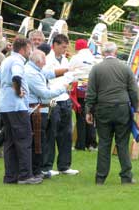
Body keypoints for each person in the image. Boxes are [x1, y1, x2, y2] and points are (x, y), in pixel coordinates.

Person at [86, 42, 139, 185]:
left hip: (103, 109)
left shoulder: (96, 69)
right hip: (122, 109)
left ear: (103, 53)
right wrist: (136, 108)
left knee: (104, 143)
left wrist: (88, 111)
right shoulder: (125, 67)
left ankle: (100, 178)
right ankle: (126, 177)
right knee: (122, 143)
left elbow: (90, 93)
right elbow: (134, 90)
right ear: (115, 52)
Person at [0, 38, 42, 185]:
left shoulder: (6, 60)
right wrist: (17, 91)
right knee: (24, 140)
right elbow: (16, 76)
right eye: (29, 49)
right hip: (17, 106)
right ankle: (25, 175)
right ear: (23, 49)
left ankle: (10, 176)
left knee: (10, 141)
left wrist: (5, 92)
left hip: (4, 106)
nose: (30, 52)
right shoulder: (18, 61)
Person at [25, 49, 68, 178]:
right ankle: (36, 171)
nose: (46, 62)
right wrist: (63, 88)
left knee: (40, 140)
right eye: (44, 60)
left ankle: (38, 169)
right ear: (38, 61)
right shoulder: (32, 73)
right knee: (37, 142)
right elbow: (45, 94)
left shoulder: (35, 69)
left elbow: (48, 73)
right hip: (36, 111)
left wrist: (67, 70)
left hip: (40, 109)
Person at [43, 34, 79, 176]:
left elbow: (69, 75)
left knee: (66, 133)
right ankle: (47, 166)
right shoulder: (47, 59)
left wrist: (69, 80)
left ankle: (64, 165)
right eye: (63, 46)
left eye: (66, 47)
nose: (65, 50)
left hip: (64, 97)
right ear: (55, 45)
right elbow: (47, 77)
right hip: (52, 99)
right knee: (51, 132)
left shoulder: (65, 59)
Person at [69, 39, 97, 151]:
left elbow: (69, 70)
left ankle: (80, 144)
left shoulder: (76, 58)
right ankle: (92, 144)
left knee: (80, 117)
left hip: (80, 89)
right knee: (90, 115)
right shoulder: (93, 58)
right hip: (91, 89)